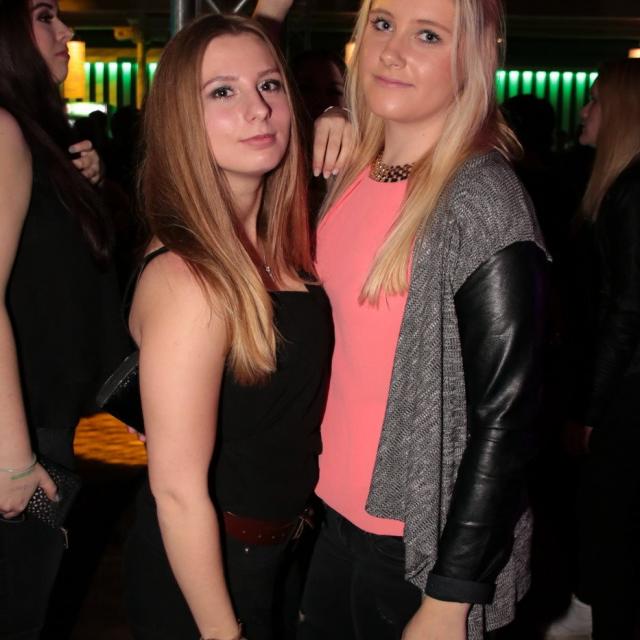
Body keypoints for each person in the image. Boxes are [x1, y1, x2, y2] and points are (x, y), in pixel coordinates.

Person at [297, 0, 549, 638]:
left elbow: (508, 417)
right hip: (329, 516)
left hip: (418, 543)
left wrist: (451, 594)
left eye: (428, 35)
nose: (393, 50)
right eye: (383, 24)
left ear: (472, 59)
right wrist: (334, 113)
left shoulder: (481, 199)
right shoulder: (350, 170)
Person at [121, 14, 333, 640]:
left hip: (284, 548)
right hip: (212, 572)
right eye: (222, 92)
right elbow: (178, 493)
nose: (258, 109)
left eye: (269, 85)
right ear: (181, 121)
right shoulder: (188, 278)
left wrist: (343, 116)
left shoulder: (280, 245)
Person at [0, 0, 128, 637]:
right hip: (16, 429)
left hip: (38, 419)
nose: (67, 31)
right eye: (46, 15)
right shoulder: (4, 128)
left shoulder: (35, 129)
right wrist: (14, 458)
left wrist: (85, 187)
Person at [567, 59, 640, 640]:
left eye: (593, 100)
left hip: (629, 395)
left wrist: (592, 409)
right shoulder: (622, 185)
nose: (584, 111)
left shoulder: (632, 190)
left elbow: (628, 307)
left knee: (614, 523)